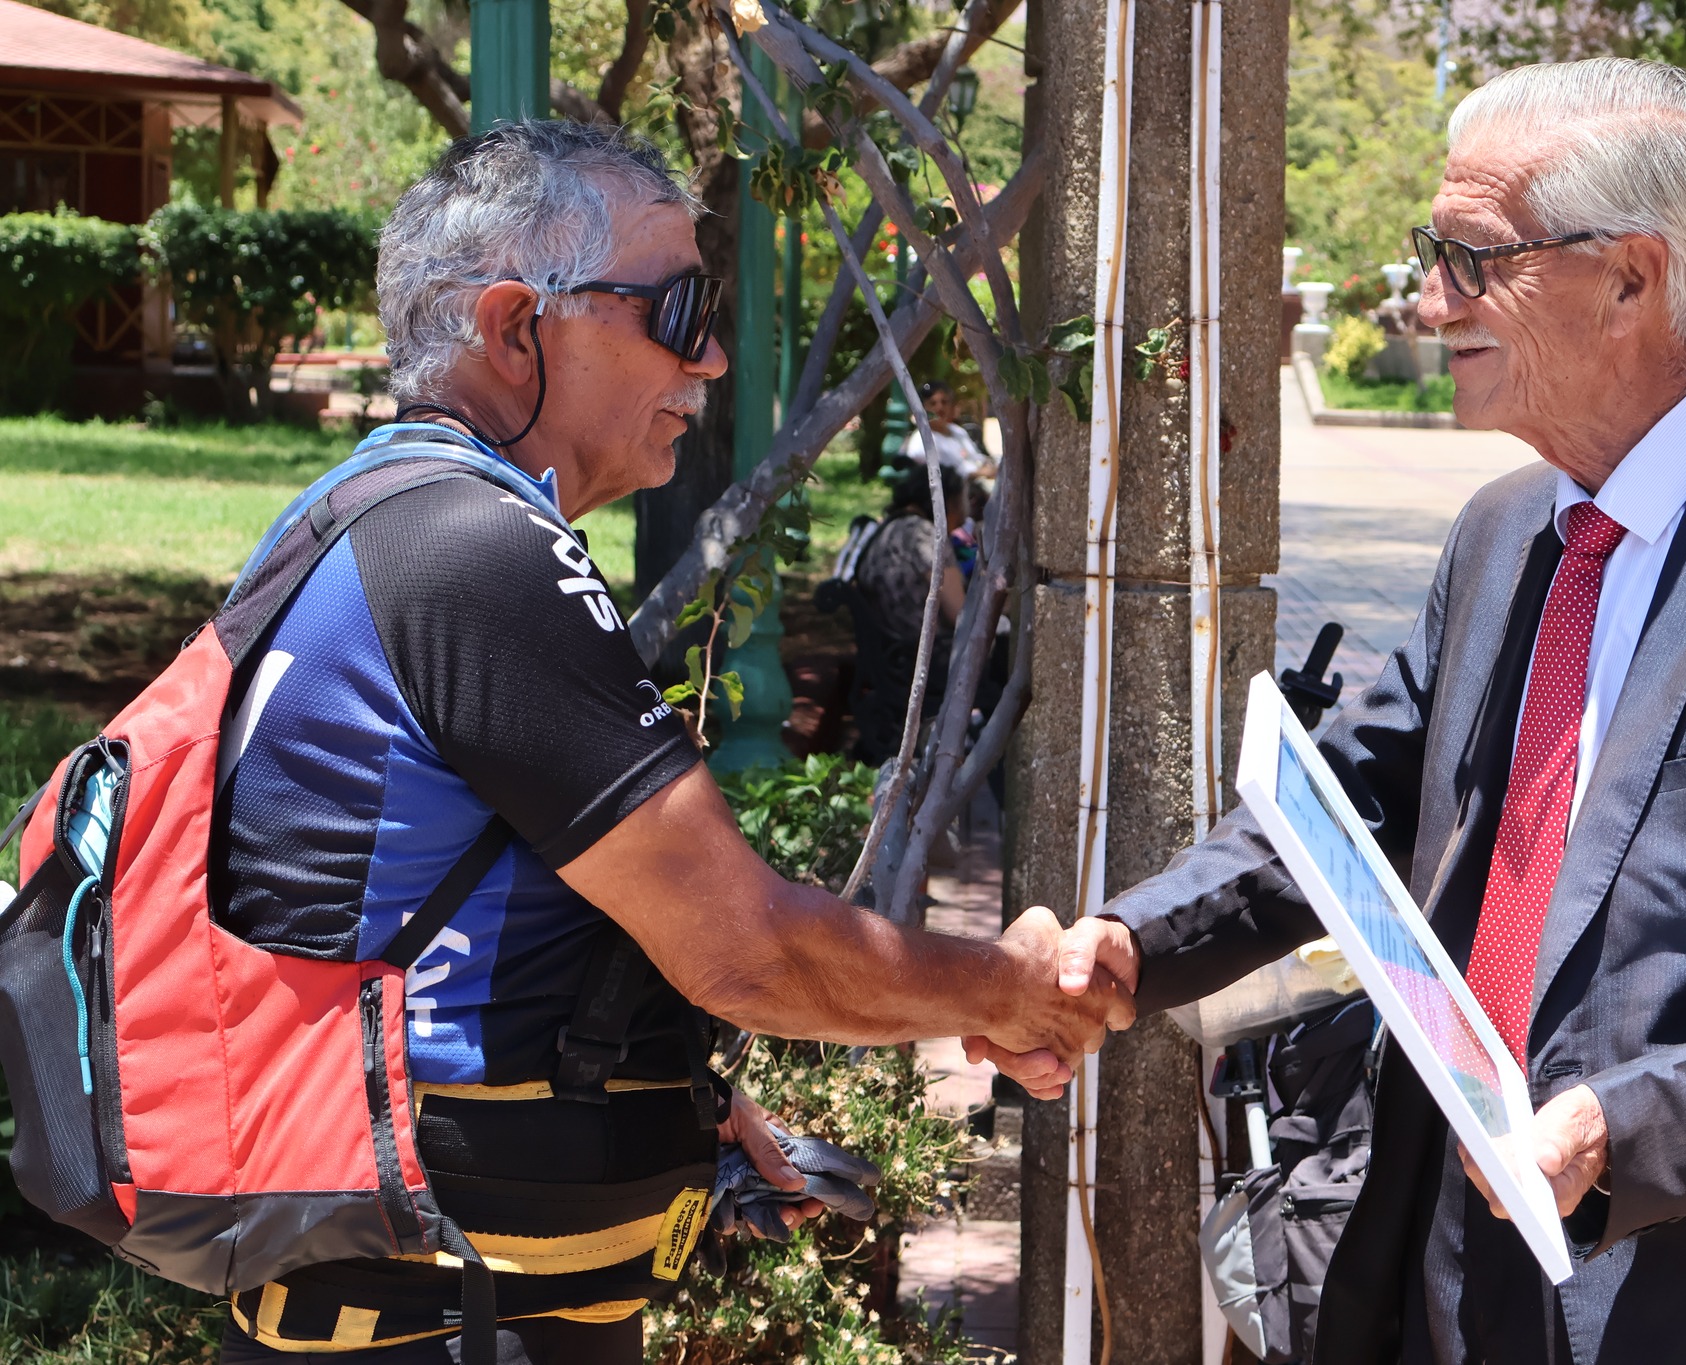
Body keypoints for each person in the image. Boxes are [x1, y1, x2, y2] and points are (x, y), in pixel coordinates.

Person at [976, 58, 1686, 1364]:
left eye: (1471, 258)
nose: (1425, 299)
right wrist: (1123, 948)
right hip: (1459, 1258)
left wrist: (1622, 1130)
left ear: (1631, 276)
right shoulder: (1503, 534)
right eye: (1429, 255)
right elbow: (1348, 810)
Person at [214, 122, 1130, 1363]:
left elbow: (438, 900)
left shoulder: (371, 509)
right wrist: (1010, 991)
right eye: (675, 307)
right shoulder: (472, 555)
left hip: (408, 1284)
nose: (705, 358)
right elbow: (745, 952)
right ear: (511, 326)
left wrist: (670, 1081)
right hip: (447, 1305)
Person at [845, 465, 967, 764]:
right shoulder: (924, 535)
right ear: (947, 500)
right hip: (925, 658)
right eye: (965, 499)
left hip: (891, 656)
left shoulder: (888, 529)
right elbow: (961, 614)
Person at [900, 380, 994, 481]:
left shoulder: (957, 431)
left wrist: (989, 467)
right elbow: (942, 478)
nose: (940, 408)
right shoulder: (921, 442)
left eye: (944, 402)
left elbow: (976, 457)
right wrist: (979, 474)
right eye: (933, 403)